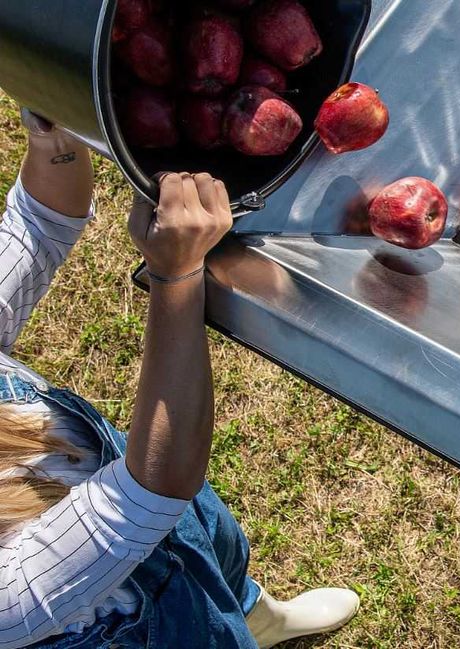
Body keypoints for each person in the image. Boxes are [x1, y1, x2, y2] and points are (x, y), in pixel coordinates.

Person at [0, 109, 359, 648]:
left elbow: (39, 223)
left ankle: (258, 616)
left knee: (219, 551)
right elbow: (147, 493)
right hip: (147, 622)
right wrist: (176, 274)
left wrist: (55, 139)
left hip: (160, 511)